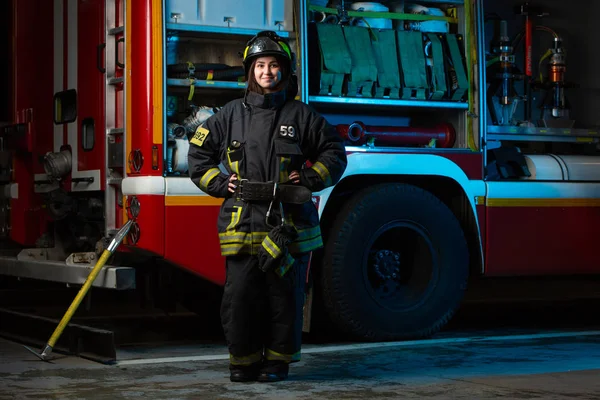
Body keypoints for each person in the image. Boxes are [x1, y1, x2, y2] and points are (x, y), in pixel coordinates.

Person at [187, 30, 347, 383]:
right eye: (260, 65)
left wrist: (308, 178)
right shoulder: (228, 115)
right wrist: (218, 182)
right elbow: (198, 155)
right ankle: (242, 363)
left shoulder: (302, 116)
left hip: (287, 224)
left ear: (284, 72)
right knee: (240, 298)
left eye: (274, 65)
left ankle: (277, 364)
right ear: (250, 71)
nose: (267, 72)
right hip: (242, 222)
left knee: (284, 300)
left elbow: (335, 153)